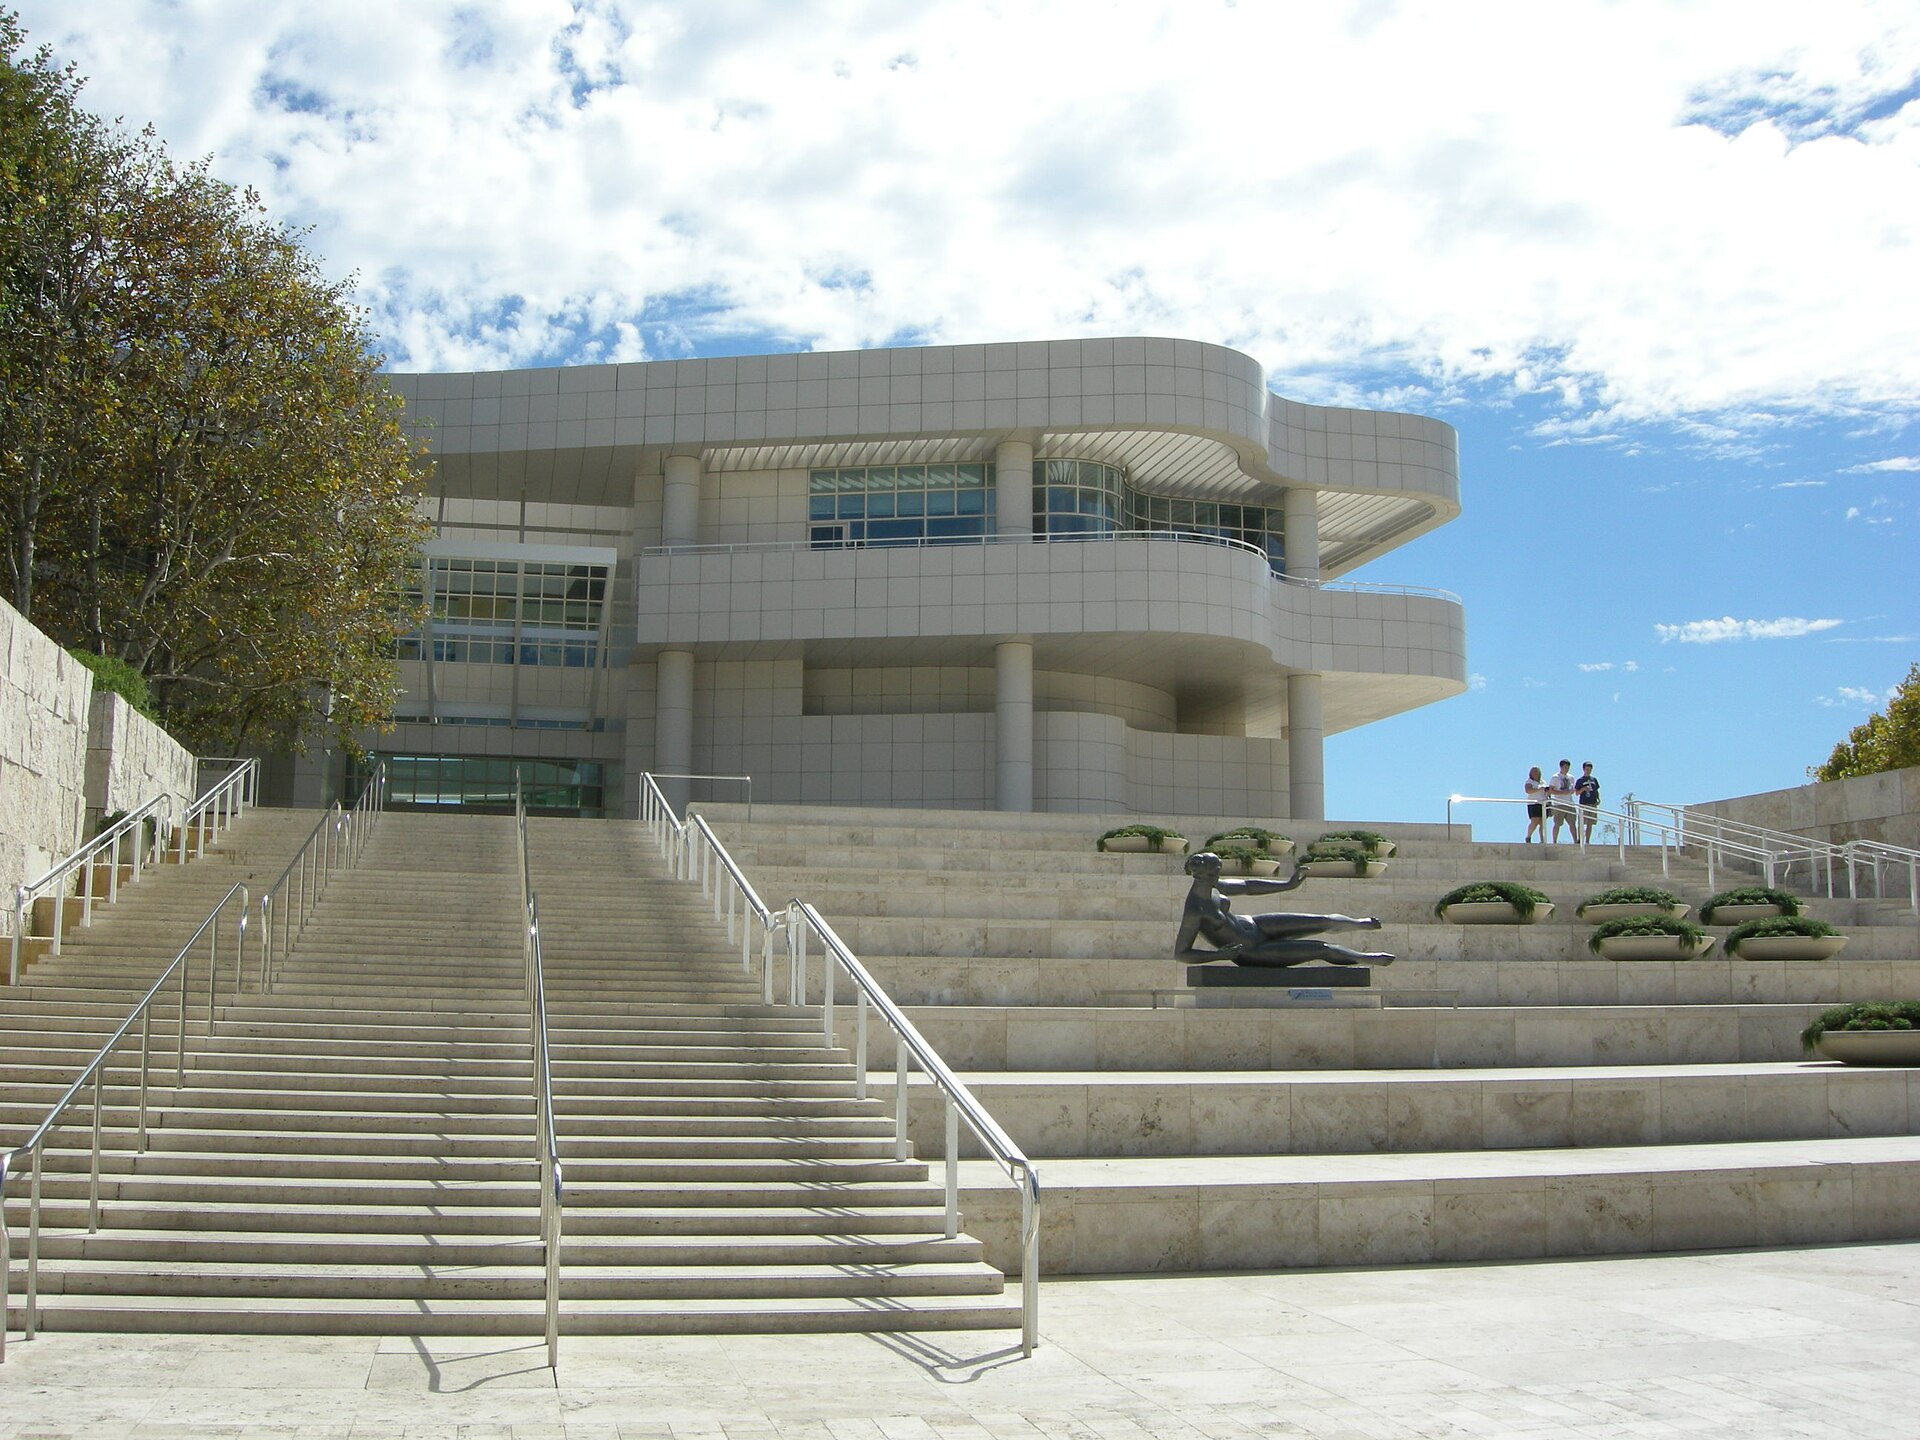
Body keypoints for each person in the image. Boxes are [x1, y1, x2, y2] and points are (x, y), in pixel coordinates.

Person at [1172, 851, 1393, 968]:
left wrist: (1288, 885)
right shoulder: (1195, 910)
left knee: (1322, 920)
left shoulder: (1214, 886)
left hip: (1256, 924)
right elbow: (1181, 953)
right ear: (1201, 874)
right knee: (1323, 948)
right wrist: (1219, 956)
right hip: (1252, 950)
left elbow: (1248, 887)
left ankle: (1358, 923)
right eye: (1214, 872)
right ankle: (1368, 958)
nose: (1218, 876)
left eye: (1219, 870)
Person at [1546, 759, 1579, 844]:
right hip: (1559, 804)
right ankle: (1554, 841)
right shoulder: (1555, 777)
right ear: (1561, 767)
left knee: (1572, 823)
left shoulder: (1571, 777)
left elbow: (1573, 789)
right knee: (1557, 823)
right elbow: (1550, 791)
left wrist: (1572, 791)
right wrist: (1562, 792)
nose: (1567, 769)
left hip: (1570, 803)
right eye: (1565, 767)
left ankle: (1576, 840)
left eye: (1568, 767)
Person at [1576, 761, 1601, 842]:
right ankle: (1580, 839)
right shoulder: (1580, 780)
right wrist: (1583, 789)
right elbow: (1577, 793)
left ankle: (1587, 840)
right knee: (1581, 822)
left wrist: (1598, 798)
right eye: (1587, 769)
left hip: (1592, 803)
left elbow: (1596, 790)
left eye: (1589, 770)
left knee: (1590, 823)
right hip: (1584, 803)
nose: (1588, 771)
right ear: (1583, 769)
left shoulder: (1594, 779)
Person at [1523, 765, 1546, 843]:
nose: (1535, 773)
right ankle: (1528, 836)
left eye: (1536, 771)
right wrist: (1539, 789)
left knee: (1542, 823)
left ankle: (1542, 840)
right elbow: (1528, 790)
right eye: (1533, 771)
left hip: (1543, 804)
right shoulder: (1529, 781)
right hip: (1533, 803)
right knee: (1534, 821)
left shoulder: (1543, 782)